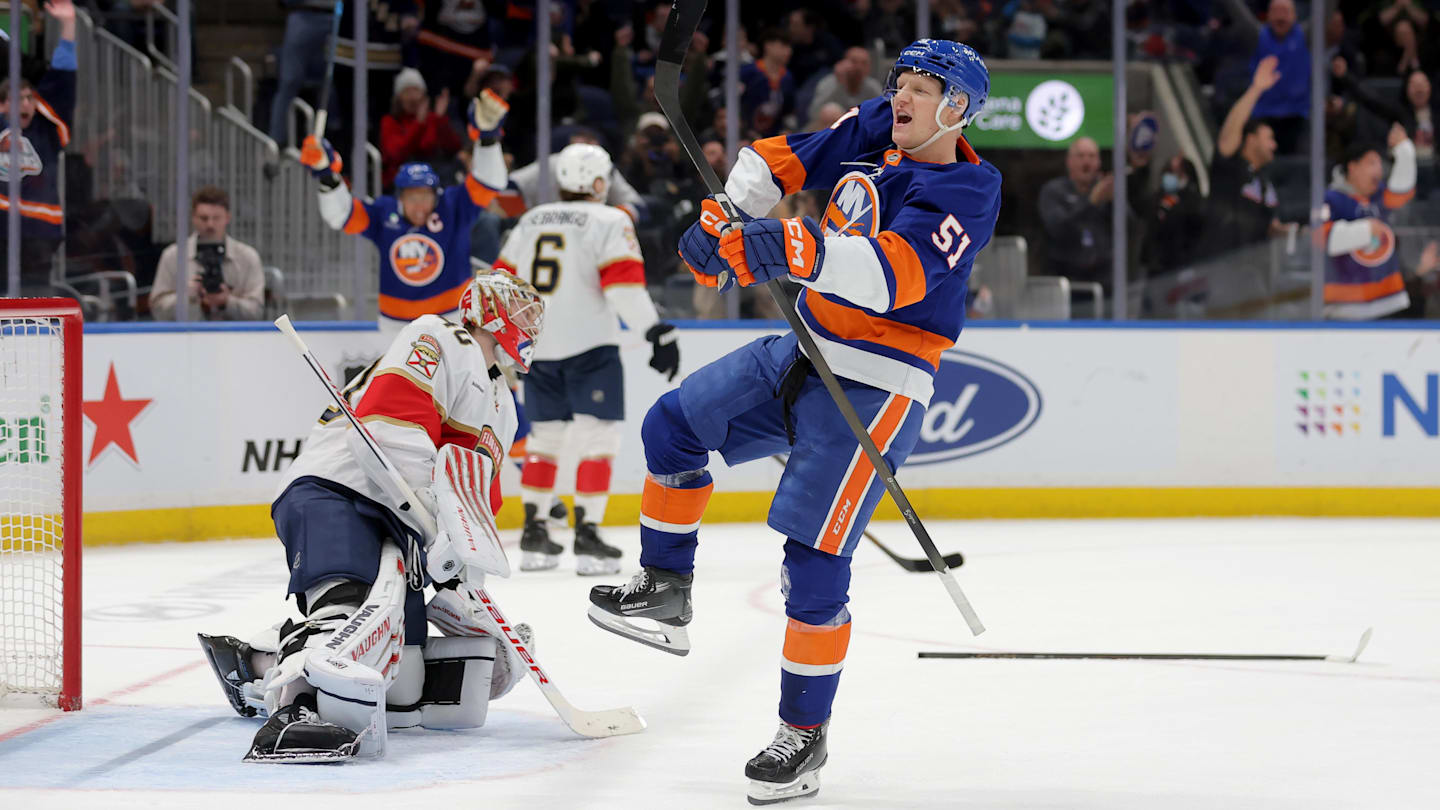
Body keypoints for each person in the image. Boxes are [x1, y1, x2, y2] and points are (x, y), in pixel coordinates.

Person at [587, 39, 1000, 805]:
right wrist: (726, 217)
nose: (901, 96)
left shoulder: (972, 189)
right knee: (671, 426)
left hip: (877, 387)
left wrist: (787, 244)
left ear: (958, 107)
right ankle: (666, 587)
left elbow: (890, 275)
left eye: (921, 87)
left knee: (811, 566)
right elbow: (787, 157)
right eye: (900, 82)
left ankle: (802, 737)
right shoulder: (879, 126)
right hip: (802, 347)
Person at [195, 269, 546, 763]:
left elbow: (475, 501)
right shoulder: (439, 335)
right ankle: (293, 715)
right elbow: (390, 427)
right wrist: (436, 527)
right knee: (350, 615)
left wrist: (460, 580)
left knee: (404, 682)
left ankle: (252, 662)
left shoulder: (502, 406)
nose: (531, 321)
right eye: (521, 308)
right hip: (339, 486)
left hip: (399, 516)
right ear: (488, 309)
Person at [493, 143, 680, 576]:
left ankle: (535, 532)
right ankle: (588, 534)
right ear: (597, 182)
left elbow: (500, 283)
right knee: (598, 441)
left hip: (538, 349)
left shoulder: (531, 219)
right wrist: (654, 330)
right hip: (590, 348)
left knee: (544, 440)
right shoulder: (610, 219)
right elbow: (623, 289)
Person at [300, 88, 509, 337]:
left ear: (436, 194)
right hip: (395, 325)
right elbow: (341, 215)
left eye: (425, 196)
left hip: (452, 318)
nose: (420, 204)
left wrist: (487, 139)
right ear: (400, 197)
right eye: (412, 196)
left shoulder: (453, 205)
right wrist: (327, 177)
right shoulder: (384, 212)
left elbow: (490, 182)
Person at [0, 0, 76, 294]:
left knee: (34, 305)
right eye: (17, 99)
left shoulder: (46, 130)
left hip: (38, 231)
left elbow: (63, 81)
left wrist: (68, 27)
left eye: (30, 98)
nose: (27, 104)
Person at [1323, 125, 1431, 319]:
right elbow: (1322, 238)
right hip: (1346, 305)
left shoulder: (1380, 197)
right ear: (1353, 167)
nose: (1379, 170)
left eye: (1380, 164)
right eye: (1372, 163)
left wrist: (1404, 150)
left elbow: (1402, 192)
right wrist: (1365, 230)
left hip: (1389, 300)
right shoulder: (1332, 198)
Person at [1199, 56, 1284, 260]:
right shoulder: (1229, 167)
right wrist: (1256, 89)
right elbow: (1231, 130)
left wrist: (1293, 233)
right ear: (1251, 139)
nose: (1275, 145)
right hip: (1218, 268)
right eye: (1270, 138)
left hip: (1251, 274)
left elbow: (1270, 228)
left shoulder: (1265, 184)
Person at [149, 186, 265, 320]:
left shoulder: (247, 257)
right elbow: (157, 310)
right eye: (204, 218)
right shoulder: (173, 256)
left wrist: (227, 301)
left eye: (216, 218)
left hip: (235, 337)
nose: (210, 224)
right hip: (185, 336)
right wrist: (186, 296)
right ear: (193, 218)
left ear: (227, 217)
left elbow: (257, 312)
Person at [1219, 0, 1310, 154]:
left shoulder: (1306, 36)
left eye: (1285, 11)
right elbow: (1237, 11)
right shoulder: (1257, 35)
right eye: (1276, 11)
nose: (1280, 16)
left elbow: (1326, 12)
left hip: (1297, 119)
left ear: (1295, 16)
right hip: (1261, 117)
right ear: (1267, 15)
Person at [1037, 137, 1113, 285]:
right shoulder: (1054, 191)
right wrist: (1091, 203)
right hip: (1065, 281)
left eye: (1092, 156)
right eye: (1080, 156)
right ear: (1069, 161)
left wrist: (1114, 201)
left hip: (1104, 281)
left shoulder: (1106, 192)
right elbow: (1057, 228)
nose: (1086, 162)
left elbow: (1131, 229)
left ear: (1099, 162)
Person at [267, 0, 340, 147]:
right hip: (302, 13)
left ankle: (332, 140)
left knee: (330, 82)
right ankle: (276, 141)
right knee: (289, 80)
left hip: (335, 18)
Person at [379, 67, 463, 190]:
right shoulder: (390, 122)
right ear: (398, 98)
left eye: (416, 91)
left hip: (435, 178)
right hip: (400, 181)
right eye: (407, 92)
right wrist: (418, 124)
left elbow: (453, 148)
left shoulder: (434, 119)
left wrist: (440, 120)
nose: (412, 97)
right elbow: (396, 155)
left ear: (424, 95)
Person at [806, 47, 884, 125]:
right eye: (854, 62)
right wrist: (839, 83)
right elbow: (813, 113)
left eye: (864, 63)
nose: (859, 67)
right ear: (843, 63)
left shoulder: (873, 87)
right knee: (830, 110)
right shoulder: (829, 83)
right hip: (830, 131)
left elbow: (884, 113)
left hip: (860, 132)